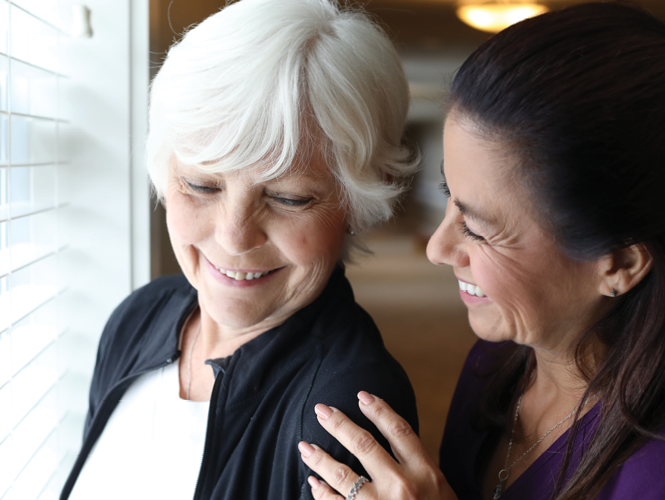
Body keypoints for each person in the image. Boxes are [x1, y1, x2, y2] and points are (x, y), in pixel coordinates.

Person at [298, 3, 665, 500]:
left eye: (478, 229)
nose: (437, 248)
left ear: (619, 264)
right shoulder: (494, 360)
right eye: (450, 197)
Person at [60, 1, 420, 499]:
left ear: (356, 204)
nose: (233, 237)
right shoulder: (137, 318)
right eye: (202, 185)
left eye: (288, 197)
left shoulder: (344, 412)